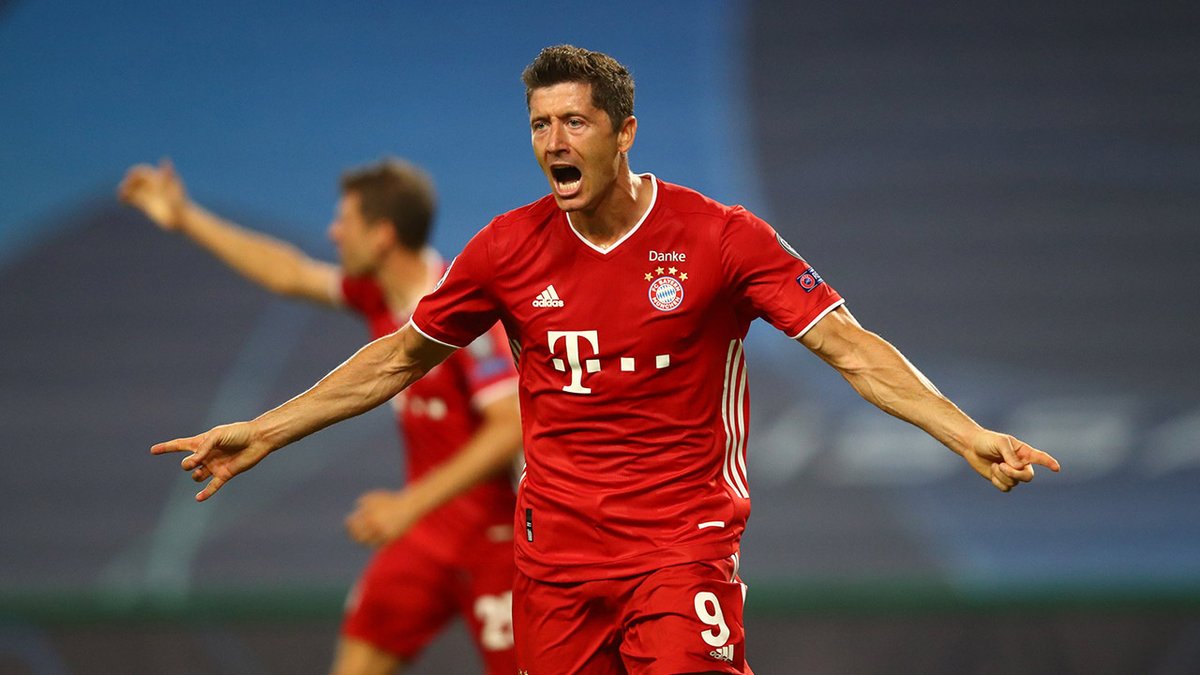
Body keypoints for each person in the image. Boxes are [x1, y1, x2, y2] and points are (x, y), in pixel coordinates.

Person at [149, 45, 1061, 675]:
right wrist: (263, 431)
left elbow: (850, 348)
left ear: (624, 132)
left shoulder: (722, 238)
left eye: (575, 123)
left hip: (679, 546)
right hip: (554, 560)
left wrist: (965, 432)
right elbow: (396, 359)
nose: (554, 142)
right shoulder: (506, 249)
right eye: (540, 124)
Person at [119, 158, 522, 675]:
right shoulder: (379, 296)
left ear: (382, 235)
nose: (333, 233)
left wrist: (409, 504)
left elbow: (510, 426)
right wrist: (186, 218)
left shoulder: (461, 309)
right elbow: (288, 273)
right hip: (425, 535)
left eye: (344, 221)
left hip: (498, 541)